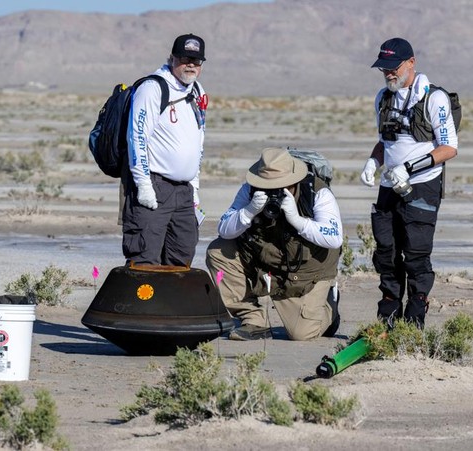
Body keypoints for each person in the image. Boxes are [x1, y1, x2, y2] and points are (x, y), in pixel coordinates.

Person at [359, 37, 458, 329]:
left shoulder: (434, 98)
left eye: (393, 67)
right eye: (383, 69)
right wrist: (373, 162)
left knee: (415, 254)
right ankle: (387, 318)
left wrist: (410, 167)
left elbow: (449, 148)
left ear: (411, 63)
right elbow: (384, 142)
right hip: (390, 186)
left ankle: (414, 322)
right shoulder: (383, 97)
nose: (388, 73)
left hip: (422, 186)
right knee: (386, 252)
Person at [206, 147, 343, 341]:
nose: (273, 191)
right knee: (218, 250)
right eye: (267, 185)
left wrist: (298, 220)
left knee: (301, 334)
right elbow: (225, 230)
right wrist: (248, 211)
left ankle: (330, 305)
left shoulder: (316, 192)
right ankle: (253, 320)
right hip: (265, 262)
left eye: (281, 185)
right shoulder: (250, 190)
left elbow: (335, 237)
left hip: (306, 272)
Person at [122, 33, 208, 266]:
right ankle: (140, 303)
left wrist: (195, 186)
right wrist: (143, 185)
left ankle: (172, 304)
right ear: (172, 58)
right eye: (184, 58)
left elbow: (198, 139)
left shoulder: (197, 90)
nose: (190, 65)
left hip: (184, 191)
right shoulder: (153, 88)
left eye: (197, 61)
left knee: (182, 256)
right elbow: (137, 137)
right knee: (145, 258)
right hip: (154, 184)